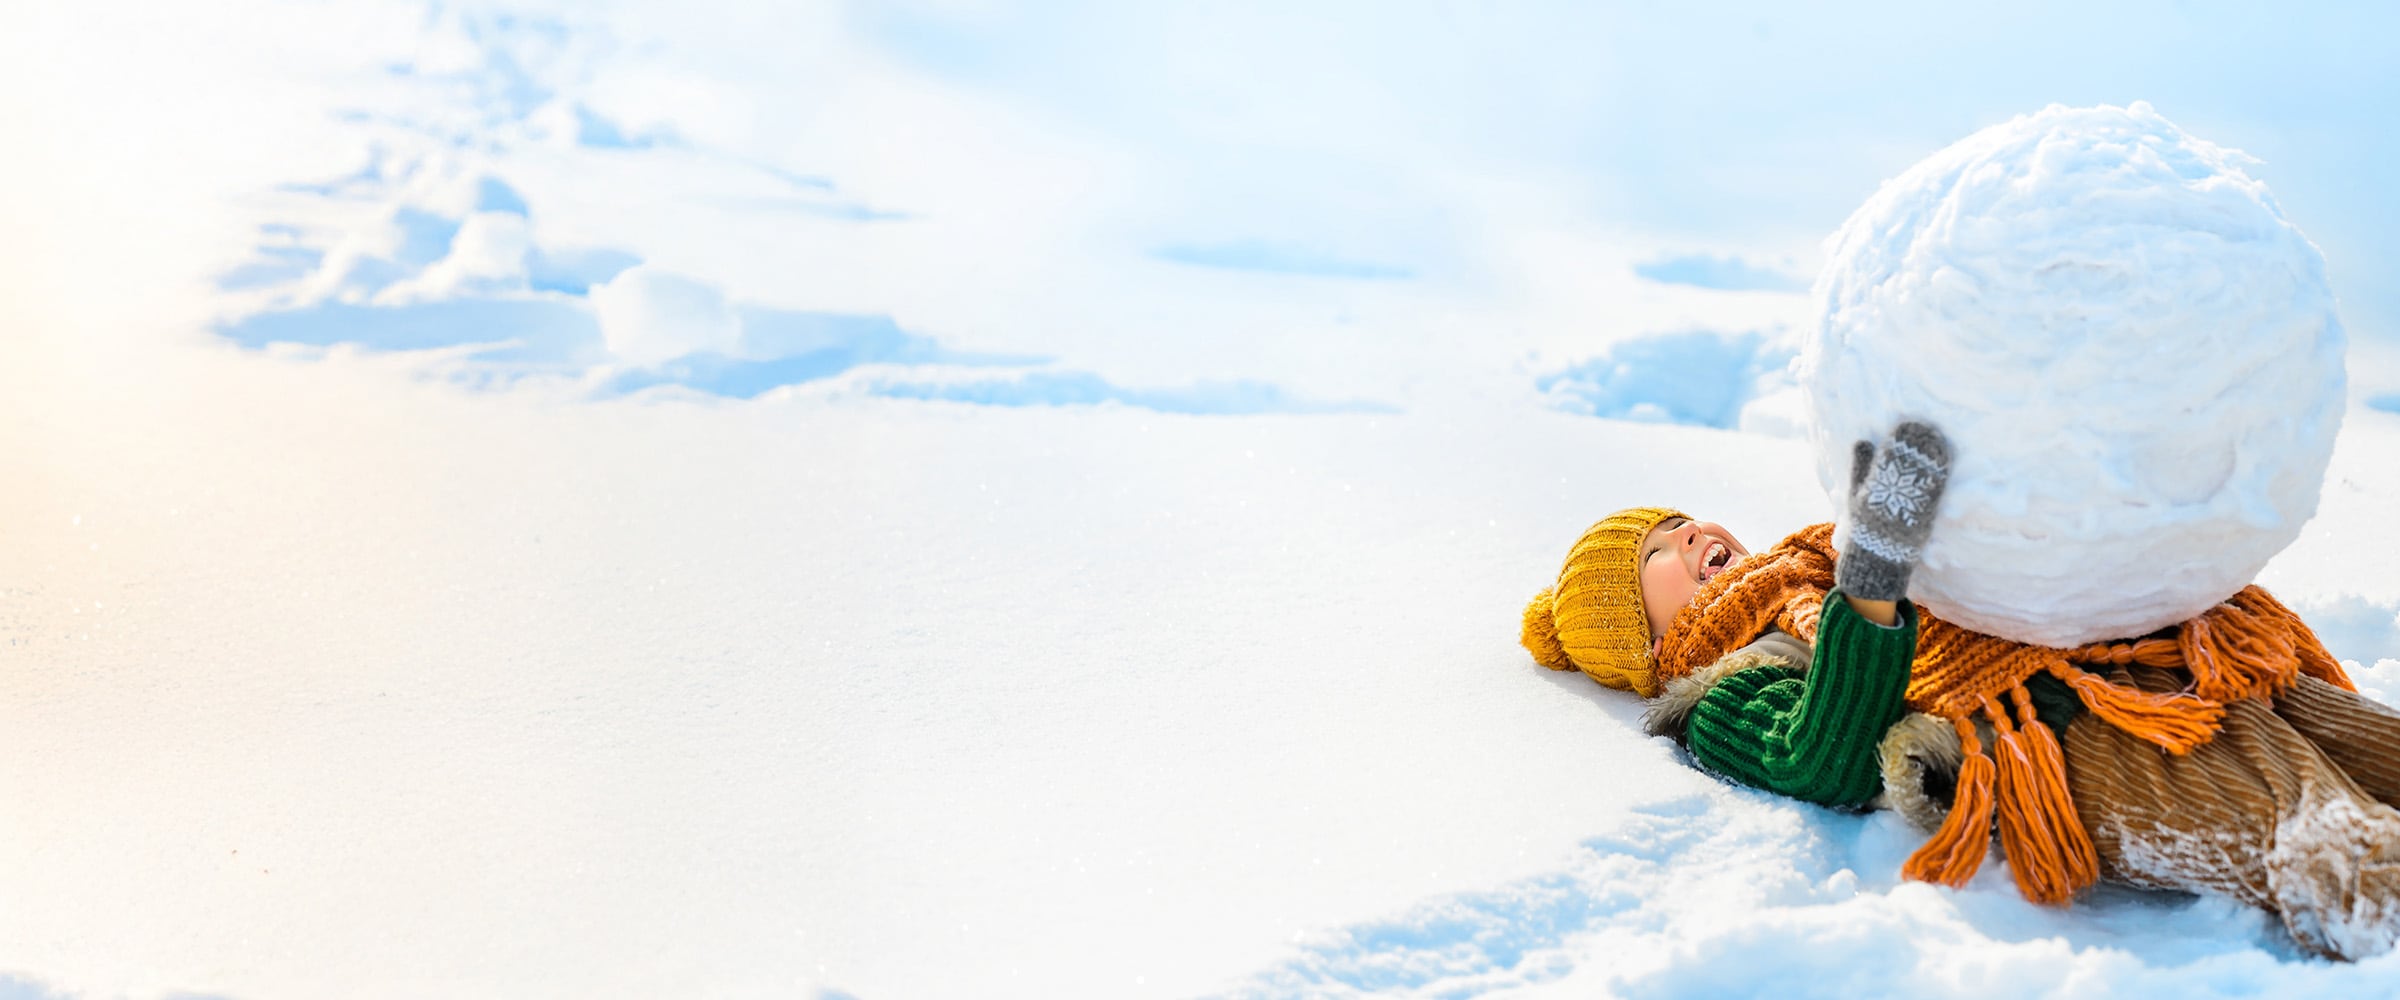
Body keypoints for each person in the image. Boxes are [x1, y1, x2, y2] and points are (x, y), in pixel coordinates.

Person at [1519, 421, 2400, 961]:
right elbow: (1819, 756)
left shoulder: (1816, 562)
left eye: (1683, 521)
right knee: (2320, 837)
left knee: (2377, 744)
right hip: (2062, 740)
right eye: (1656, 556)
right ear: (1653, 640)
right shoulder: (1723, 691)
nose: (1691, 535)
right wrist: (1872, 585)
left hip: (2172, 662)